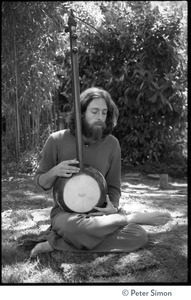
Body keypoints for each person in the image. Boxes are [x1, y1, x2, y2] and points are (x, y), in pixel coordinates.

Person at [30, 87, 171, 257]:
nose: (100, 117)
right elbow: (40, 182)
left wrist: (113, 208)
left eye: (104, 113)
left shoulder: (112, 144)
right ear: (81, 114)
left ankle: (57, 242)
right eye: (94, 111)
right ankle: (129, 219)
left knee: (138, 236)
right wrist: (54, 171)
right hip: (65, 214)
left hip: (100, 213)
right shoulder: (56, 140)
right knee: (71, 227)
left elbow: (113, 187)